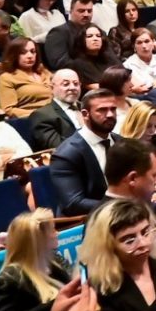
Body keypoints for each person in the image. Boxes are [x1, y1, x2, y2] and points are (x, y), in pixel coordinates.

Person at [0, 207, 72, 311]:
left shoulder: (55, 261)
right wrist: (55, 305)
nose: (57, 233)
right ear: (38, 240)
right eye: (53, 230)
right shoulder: (9, 279)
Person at [48, 87, 122, 215]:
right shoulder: (66, 154)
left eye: (113, 109)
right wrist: (122, 203)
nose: (110, 114)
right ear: (85, 114)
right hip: (90, 220)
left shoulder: (122, 142)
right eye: (102, 110)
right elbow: (74, 203)